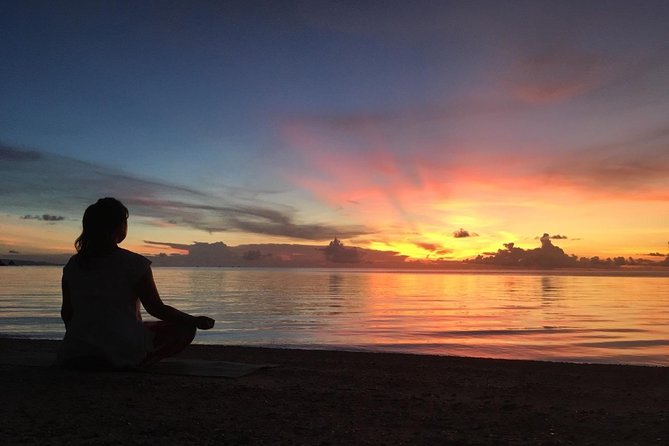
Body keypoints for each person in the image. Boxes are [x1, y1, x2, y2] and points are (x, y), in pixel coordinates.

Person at [58, 197, 215, 369]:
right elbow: (156, 309)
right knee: (185, 328)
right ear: (119, 227)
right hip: (121, 349)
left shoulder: (73, 264)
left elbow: (67, 312)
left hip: (75, 350)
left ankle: (95, 353)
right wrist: (195, 320)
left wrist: (82, 337)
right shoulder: (135, 264)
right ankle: (135, 361)